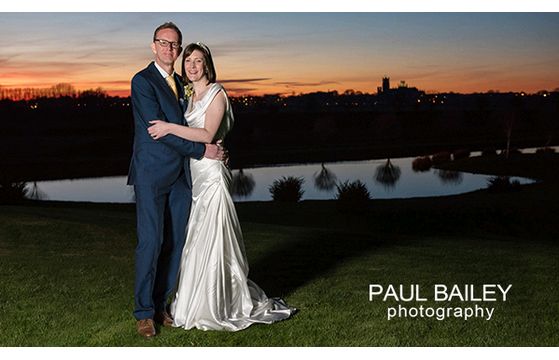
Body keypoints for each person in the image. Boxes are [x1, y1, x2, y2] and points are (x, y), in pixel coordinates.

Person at [147, 42, 295, 331]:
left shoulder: (217, 93)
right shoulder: (187, 95)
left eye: (198, 61)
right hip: (194, 174)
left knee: (214, 236)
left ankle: (218, 304)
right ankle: (191, 301)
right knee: (196, 238)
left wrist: (167, 127)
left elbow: (207, 133)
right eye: (188, 60)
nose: (191, 66)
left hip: (212, 173)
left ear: (207, 65)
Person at [127, 23, 225, 339]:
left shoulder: (184, 82)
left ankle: (162, 305)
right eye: (164, 43)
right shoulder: (142, 82)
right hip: (153, 174)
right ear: (153, 45)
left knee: (178, 244)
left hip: (182, 176)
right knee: (151, 242)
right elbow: (158, 129)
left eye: (176, 44)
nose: (171, 49)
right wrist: (203, 150)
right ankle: (144, 313)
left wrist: (212, 144)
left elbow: (191, 122)